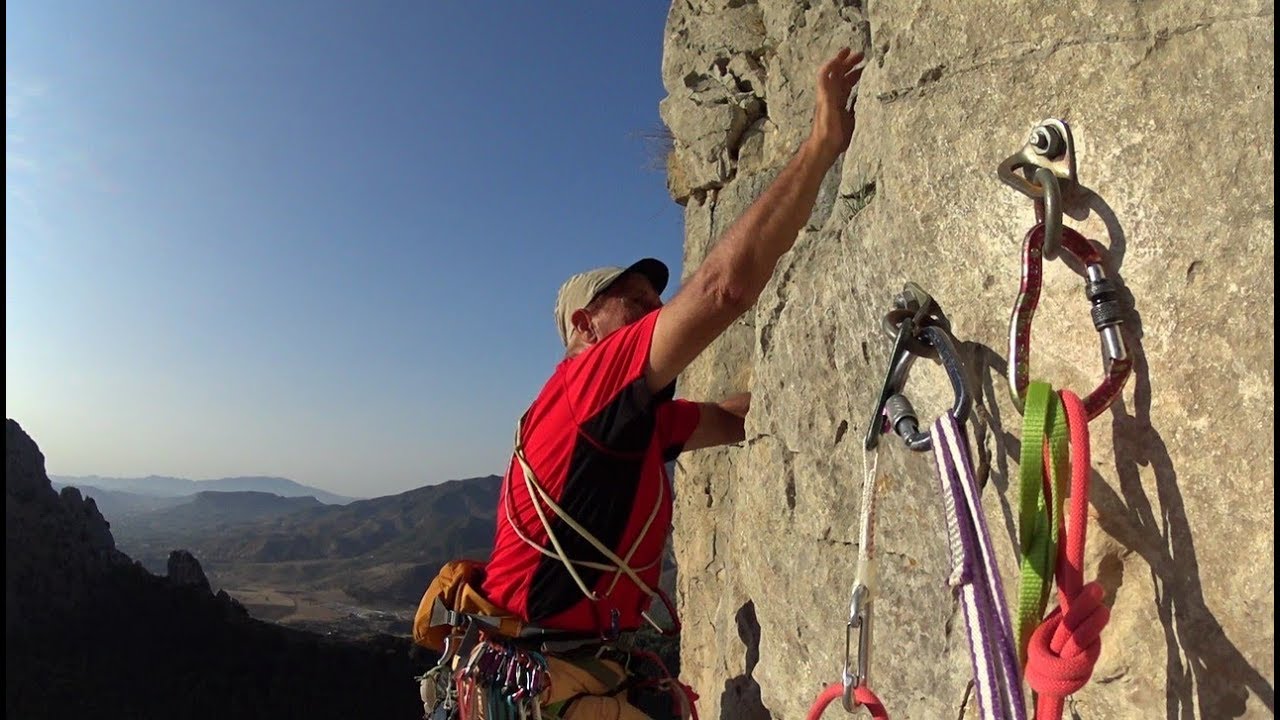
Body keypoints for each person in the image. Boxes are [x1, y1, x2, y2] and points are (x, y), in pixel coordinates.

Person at [426, 47, 865, 720]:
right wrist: (820, 145)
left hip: (564, 669)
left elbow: (732, 418)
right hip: (550, 676)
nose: (654, 311)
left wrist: (842, 384)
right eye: (632, 299)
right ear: (585, 325)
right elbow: (723, 288)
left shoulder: (630, 424)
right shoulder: (586, 386)